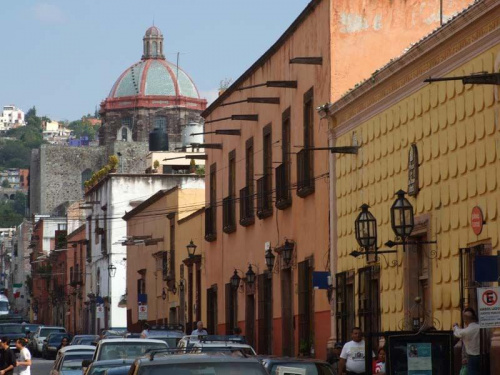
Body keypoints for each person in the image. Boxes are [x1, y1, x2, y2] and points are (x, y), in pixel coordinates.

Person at [454, 307, 480, 375]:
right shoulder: (480, 328)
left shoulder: (467, 330)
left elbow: (457, 333)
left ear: (465, 319)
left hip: (472, 357)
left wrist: (455, 326)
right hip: (484, 356)